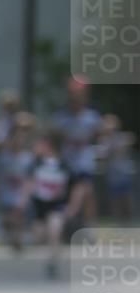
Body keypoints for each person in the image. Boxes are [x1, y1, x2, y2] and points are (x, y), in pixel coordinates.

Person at [20, 129, 80, 279]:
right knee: (38, 236)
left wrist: (73, 206)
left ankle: (52, 262)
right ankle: (45, 245)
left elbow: (77, 187)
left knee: (55, 229)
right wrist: (23, 201)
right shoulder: (36, 164)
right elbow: (28, 183)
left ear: (47, 145)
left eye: (38, 144)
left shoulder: (64, 165)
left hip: (57, 205)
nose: (35, 147)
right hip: (39, 205)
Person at [52, 78, 102, 226]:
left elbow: (99, 135)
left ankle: (87, 223)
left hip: (84, 159)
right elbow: (54, 136)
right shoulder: (62, 116)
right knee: (67, 192)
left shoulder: (91, 116)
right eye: (74, 94)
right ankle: (66, 222)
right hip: (67, 159)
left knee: (86, 189)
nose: (76, 98)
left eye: (80, 94)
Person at [0, 111, 35, 252]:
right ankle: (9, 233)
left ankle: (18, 239)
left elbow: (30, 179)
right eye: (15, 137)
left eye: (21, 137)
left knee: (19, 210)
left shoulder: (28, 158)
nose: (18, 140)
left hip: (20, 194)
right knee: (9, 217)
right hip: (6, 194)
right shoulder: (3, 157)